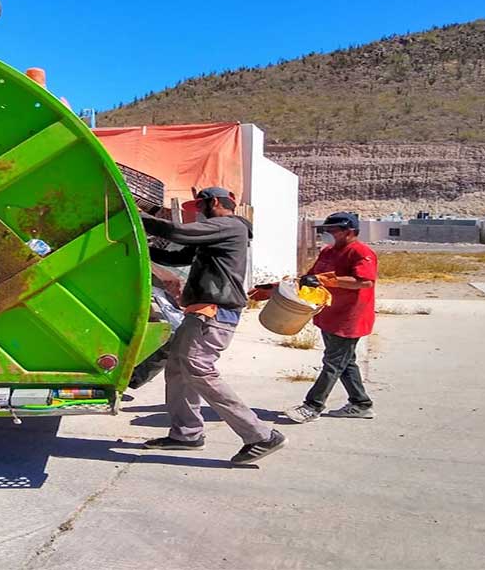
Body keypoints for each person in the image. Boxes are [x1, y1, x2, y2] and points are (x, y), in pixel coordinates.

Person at [140, 187, 287, 465]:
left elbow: (177, 233)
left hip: (214, 313)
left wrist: (133, 217)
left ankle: (260, 435)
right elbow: (175, 257)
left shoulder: (229, 226)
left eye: (200, 206)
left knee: (198, 368)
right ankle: (187, 433)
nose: (197, 211)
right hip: (202, 311)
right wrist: (136, 243)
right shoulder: (217, 236)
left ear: (215, 203)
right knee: (177, 368)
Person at [283, 212, 378, 423]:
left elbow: (364, 281)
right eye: (328, 230)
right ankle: (361, 403)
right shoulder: (327, 252)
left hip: (350, 318)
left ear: (349, 231)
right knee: (345, 362)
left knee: (333, 363)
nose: (330, 233)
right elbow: (312, 277)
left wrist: (326, 281)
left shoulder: (361, 252)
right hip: (330, 315)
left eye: (334, 230)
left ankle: (312, 405)